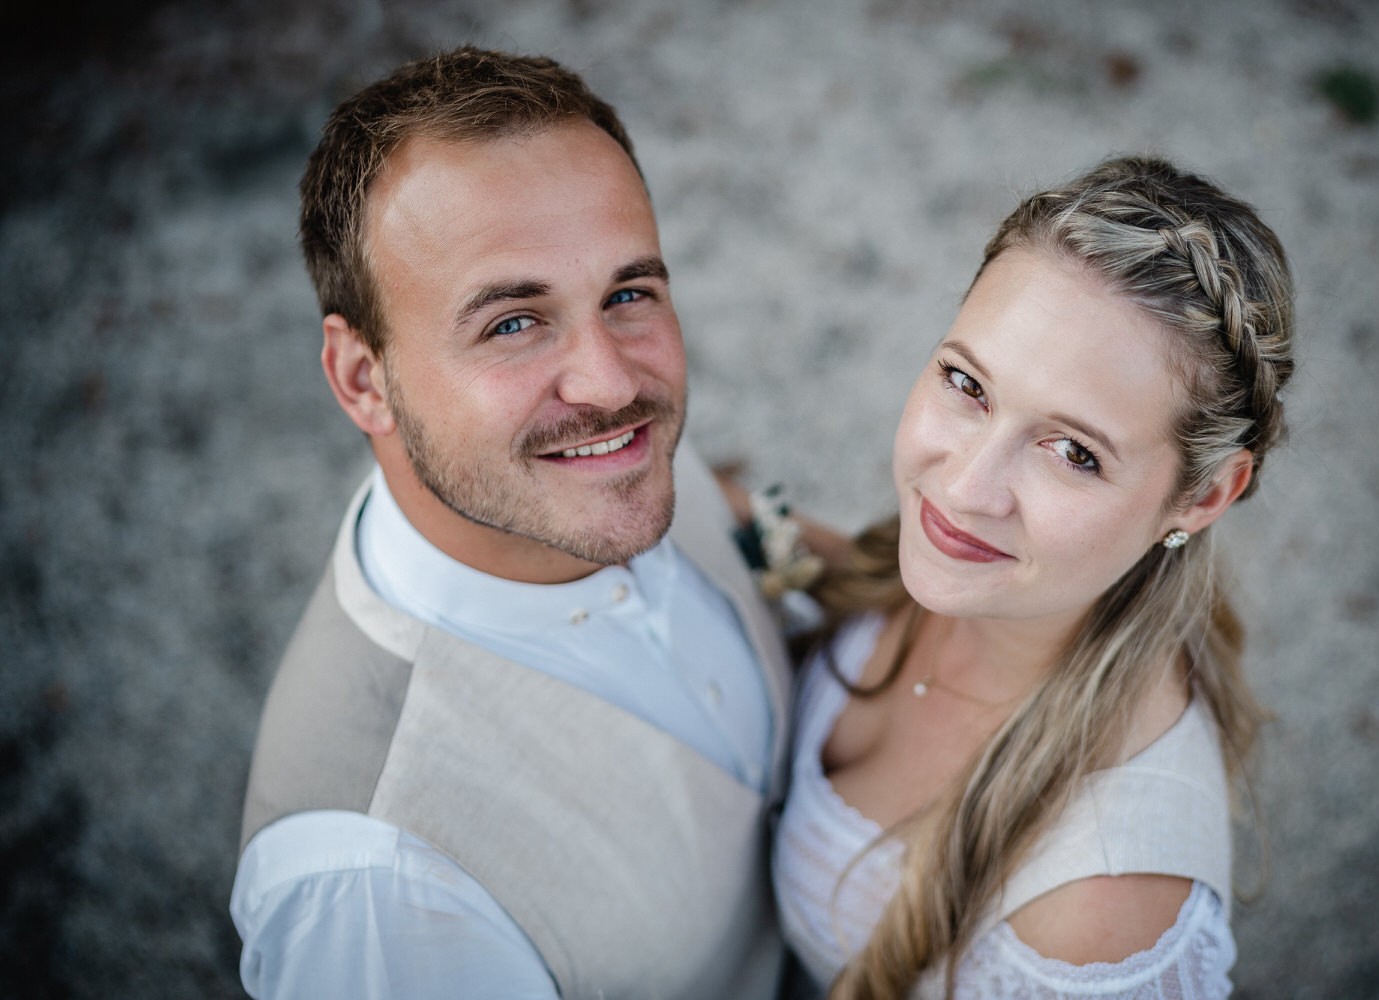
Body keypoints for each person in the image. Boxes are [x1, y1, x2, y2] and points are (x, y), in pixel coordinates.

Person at [229, 47, 792, 999]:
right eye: (512, 324)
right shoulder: (377, 886)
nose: (614, 385)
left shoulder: (603, 451)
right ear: (363, 378)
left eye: (627, 294)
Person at [770, 156, 1294, 998]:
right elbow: (819, 561)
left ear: (1202, 496)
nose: (964, 489)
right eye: (967, 383)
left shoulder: (1098, 917)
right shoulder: (982, 585)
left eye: (1074, 452)